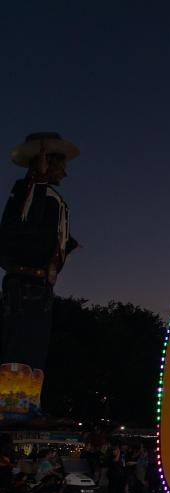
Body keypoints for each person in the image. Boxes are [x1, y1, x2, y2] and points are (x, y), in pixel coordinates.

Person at [1, 133, 80, 415]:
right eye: (60, 166)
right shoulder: (30, 191)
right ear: (45, 163)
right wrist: (39, 178)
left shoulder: (47, 195)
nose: (64, 173)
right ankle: (10, 404)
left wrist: (61, 252)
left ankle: (28, 403)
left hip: (39, 283)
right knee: (19, 341)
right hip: (25, 282)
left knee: (35, 344)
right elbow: (21, 227)